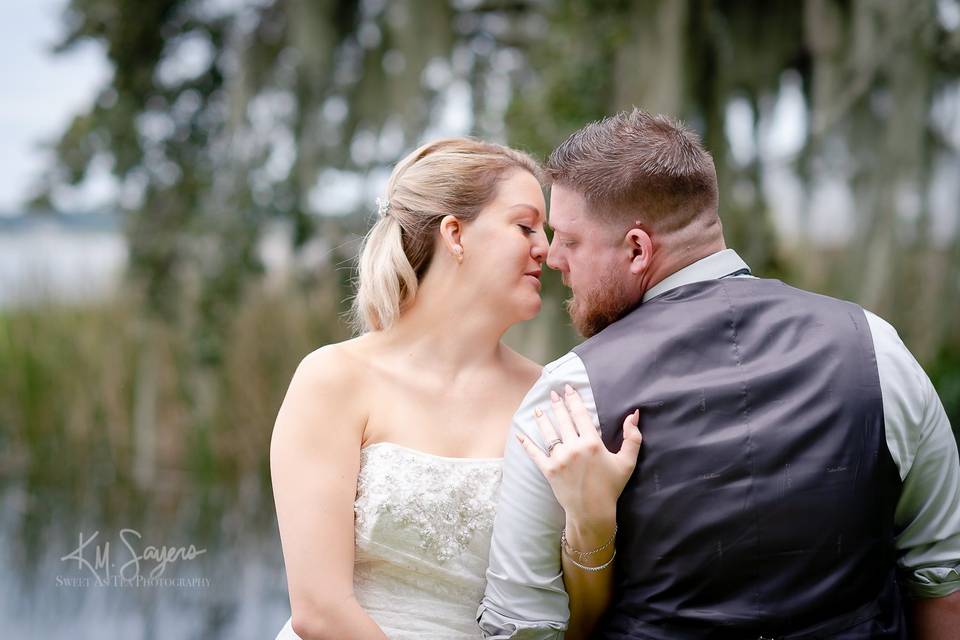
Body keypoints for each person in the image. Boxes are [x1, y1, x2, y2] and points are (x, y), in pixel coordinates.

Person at [478, 109, 960, 639]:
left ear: (637, 249)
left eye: (569, 240)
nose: (554, 261)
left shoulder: (569, 395)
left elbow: (521, 627)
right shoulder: (875, 347)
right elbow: (944, 584)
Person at [271, 137, 643, 640]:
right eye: (525, 226)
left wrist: (593, 521)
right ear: (455, 234)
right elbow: (319, 608)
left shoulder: (553, 396)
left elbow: (581, 622)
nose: (548, 251)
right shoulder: (334, 380)